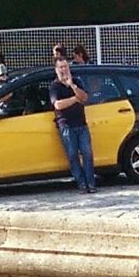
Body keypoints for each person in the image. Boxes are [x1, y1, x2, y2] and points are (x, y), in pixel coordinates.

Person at [50, 56, 96, 194]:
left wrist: (72, 86)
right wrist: (75, 99)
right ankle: (81, 183)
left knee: (87, 154)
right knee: (72, 155)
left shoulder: (76, 82)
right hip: (66, 126)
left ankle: (91, 183)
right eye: (61, 67)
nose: (64, 70)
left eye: (66, 67)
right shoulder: (54, 86)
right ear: (56, 69)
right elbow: (58, 105)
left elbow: (85, 97)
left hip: (81, 124)